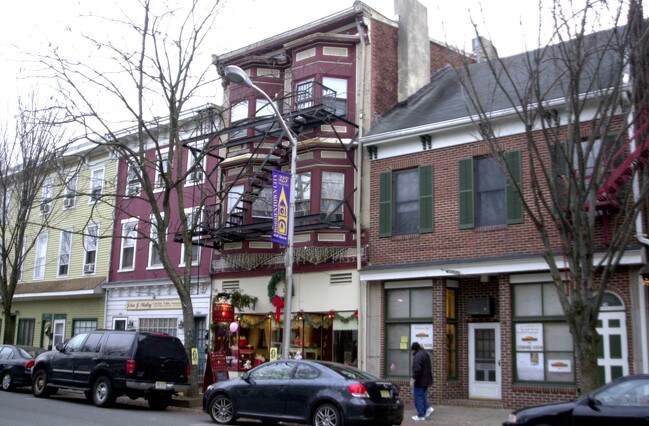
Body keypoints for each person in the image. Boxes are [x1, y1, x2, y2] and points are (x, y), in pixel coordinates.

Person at [410, 342, 434, 421]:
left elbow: (417, 369)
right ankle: (427, 409)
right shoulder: (425, 354)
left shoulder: (418, 356)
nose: (412, 352)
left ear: (414, 349)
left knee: (418, 397)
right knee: (423, 396)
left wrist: (413, 379)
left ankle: (421, 414)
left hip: (420, 381)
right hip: (426, 380)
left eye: (412, 350)